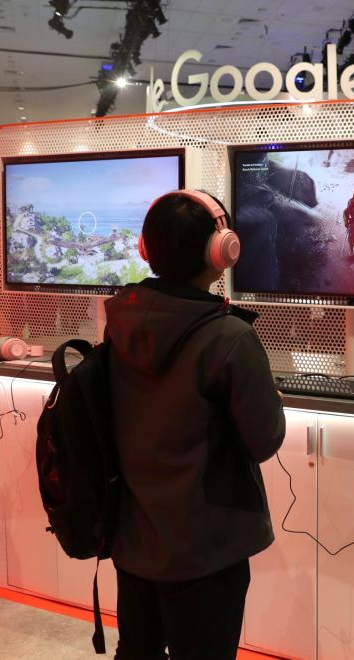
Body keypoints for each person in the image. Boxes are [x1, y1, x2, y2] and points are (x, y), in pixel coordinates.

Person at [104, 189, 286, 659]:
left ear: (146, 248)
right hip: (205, 548)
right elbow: (265, 439)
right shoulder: (230, 337)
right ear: (222, 249)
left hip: (135, 538)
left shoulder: (120, 320)